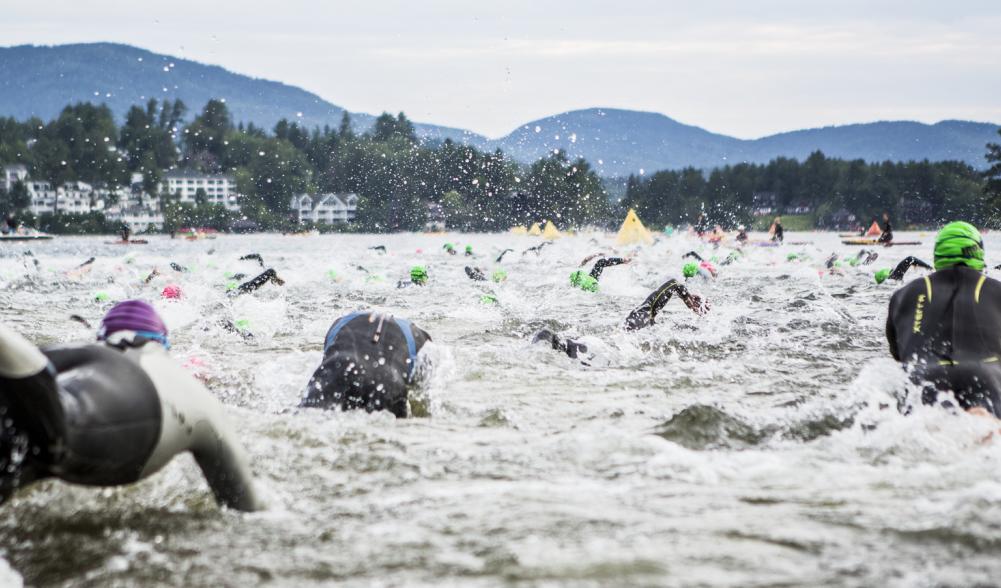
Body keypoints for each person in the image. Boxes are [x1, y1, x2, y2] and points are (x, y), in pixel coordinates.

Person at [0, 300, 261, 509]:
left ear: (103, 338)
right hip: (71, 427)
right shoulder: (192, 391)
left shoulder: (84, 354)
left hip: (36, 411)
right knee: (53, 432)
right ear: (163, 343)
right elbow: (246, 505)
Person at [886, 222, 1001, 417]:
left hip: (925, 375)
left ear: (937, 255)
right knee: (986, 426)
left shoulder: (904, 294)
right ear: (979, 252)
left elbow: (898, 354)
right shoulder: (997, 289)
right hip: (986, 375)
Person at [300, 311, 431, 418]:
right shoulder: (421, 338)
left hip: (338, 369)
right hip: (388, 382)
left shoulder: (338, 323)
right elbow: (420, 401)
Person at [625, 278, 708, 330]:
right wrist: (689, 299)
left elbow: (674, 284)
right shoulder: (641, 315)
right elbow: (674, 284)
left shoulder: (635, 319)